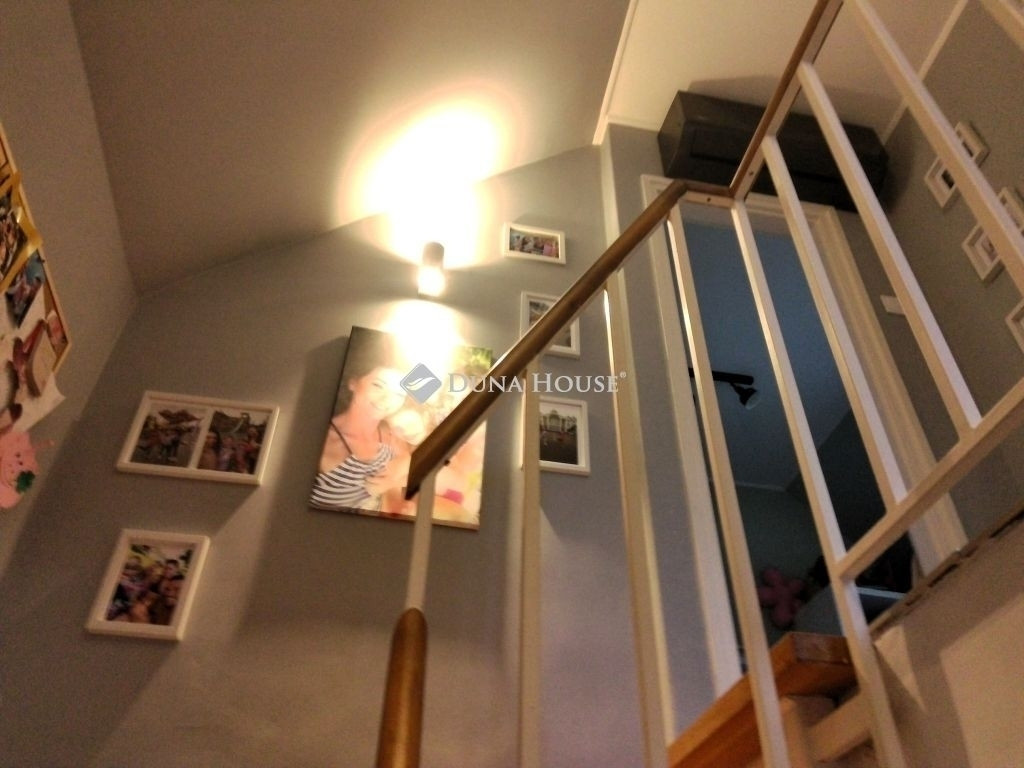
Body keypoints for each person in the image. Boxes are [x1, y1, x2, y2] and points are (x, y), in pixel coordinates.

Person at [310, 331, 411, 513]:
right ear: (353, 382)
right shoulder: (325, 442)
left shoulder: (389, 434)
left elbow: (416, 463)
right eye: (378, 385)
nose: (387, 400)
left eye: (399, 394)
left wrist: (396, 476)